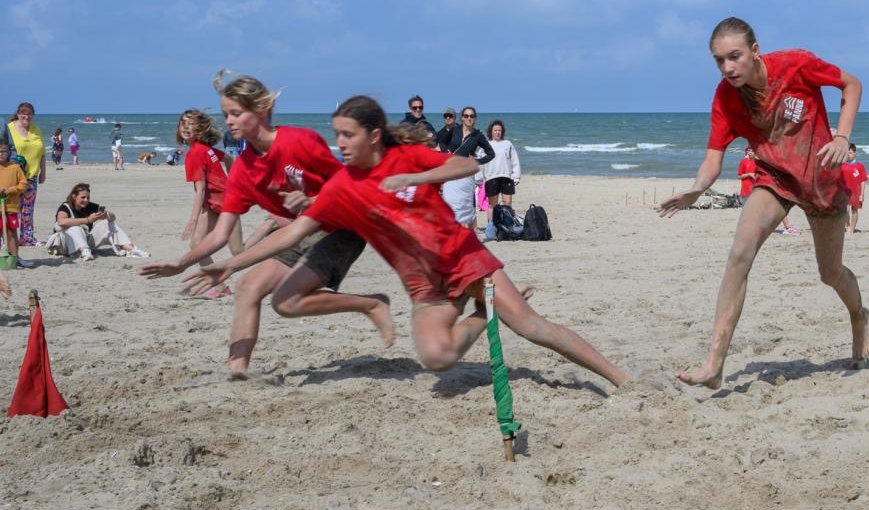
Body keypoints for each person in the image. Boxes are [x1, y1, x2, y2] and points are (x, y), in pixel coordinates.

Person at [184, 96, 629, 384]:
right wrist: (229, 265)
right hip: (424, 287)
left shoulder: (406, 156)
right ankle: (482, 313)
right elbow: (295, 233)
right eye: (336, 135)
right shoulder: (342, 187)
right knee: (437, 358)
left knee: (531, 327)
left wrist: (416, 177)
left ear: (373, 135)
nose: (339, 144)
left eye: (348, 135)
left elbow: (467, 166)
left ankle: (621, 379)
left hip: (464, 257)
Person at [658, 16, 869, 388]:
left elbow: (851, 84)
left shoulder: (795, 65)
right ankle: (714, 364)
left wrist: (841, 137)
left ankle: (859, 316)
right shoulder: (726, 97)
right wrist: (697, 189)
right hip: (775, 178)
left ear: (755, 51)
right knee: (740, 254)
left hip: (821, 180)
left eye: (734, 56)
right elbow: (713, 158)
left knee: (830, 273)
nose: (727, 68)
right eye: (719, 60)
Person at [141, 71, 394, 379]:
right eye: (225, 115)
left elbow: (350, 182)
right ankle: (238, 372)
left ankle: (371, 304)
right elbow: (220, 234)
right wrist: (182, 263)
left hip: (344, 225)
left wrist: (313, 200)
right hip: (300, 229)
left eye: (236, 113)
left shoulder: (299, 141)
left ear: (261, 110)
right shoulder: (243, 170)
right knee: (248, 287)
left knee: (286, 303)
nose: (229, 121)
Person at [178, 109, 245, 293]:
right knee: (196, 244)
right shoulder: (203, 149)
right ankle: (220, 286)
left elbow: (200, 190)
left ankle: (276, 249)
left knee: (238, 251)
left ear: (200, 129)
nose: (186, 127)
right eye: (183, 123)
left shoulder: (196, 153)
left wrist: (193, 219)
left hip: (227, 205)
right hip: (213, 204)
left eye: (191, 124)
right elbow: (229, 158)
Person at [51, 183, 144, 261]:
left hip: (85, 241)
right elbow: (61, 222)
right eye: (83, 197)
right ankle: (84, 252)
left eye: (88, 197)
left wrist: (107, 215)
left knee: (107, 223)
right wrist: (87, 220)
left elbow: (113, 218)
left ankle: (131, 249)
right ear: (74, 197)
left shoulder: (89, 206)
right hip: (65, 245)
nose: (86, 200)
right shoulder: (65, 206)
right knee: (75, 227)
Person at [439, 106, 494, 227]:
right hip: (451, 172)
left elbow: (491, 154)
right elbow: (441, 141)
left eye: (472, 116)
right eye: (466, 116)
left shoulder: (478, 135)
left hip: (466, 174)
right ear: (462, 118)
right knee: (450, 203)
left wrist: (476, 161)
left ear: (475, 118)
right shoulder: (455, 130)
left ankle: (471, 232)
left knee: (468, 205)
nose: (469, 118)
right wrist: (446, 151)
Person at [6, 104, 45, 249]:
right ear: (18, 114)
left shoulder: (36, 130)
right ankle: (6, 238)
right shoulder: (9, 128)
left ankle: (27, 238)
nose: (26, 116)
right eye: (23, 113)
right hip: (13, 175)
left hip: (31, 175)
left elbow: (42, 153)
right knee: (10, 208)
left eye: (29, 114)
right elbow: (3, 150)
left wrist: (43, 172)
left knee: (28, 209)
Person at [481, 120, 521, 209]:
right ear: (491, 131)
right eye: (495, 130)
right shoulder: (486, 145)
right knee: (492, 205)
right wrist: (479, 178)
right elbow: (481, 163)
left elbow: (515, 160)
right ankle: (492, 219)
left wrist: (516, 176)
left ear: (502, 132)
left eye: (499, 130)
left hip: (507, 177)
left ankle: (507, 218)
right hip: (491, 178)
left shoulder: (508, 144)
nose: (497, 132)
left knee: (508, 203)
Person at [0, 139, 27, 262]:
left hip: (11, 206)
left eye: (3, 151)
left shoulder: (15, 167)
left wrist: (10, 190)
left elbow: (23, 184)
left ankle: (14, 258)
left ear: (8, 153)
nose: (1, 154)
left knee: (11, 232)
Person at [839, 144, 868, 233]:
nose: (848, 155)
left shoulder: (859, 166)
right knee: (845, 210)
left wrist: (862, 195)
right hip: (844, 192)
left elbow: (863, 181)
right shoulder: (842, 165)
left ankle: (852, 228)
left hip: (856, 192)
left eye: (850, 153)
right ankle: (847, 226)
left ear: (855, 153)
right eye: (847, 153)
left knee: (854, 210)